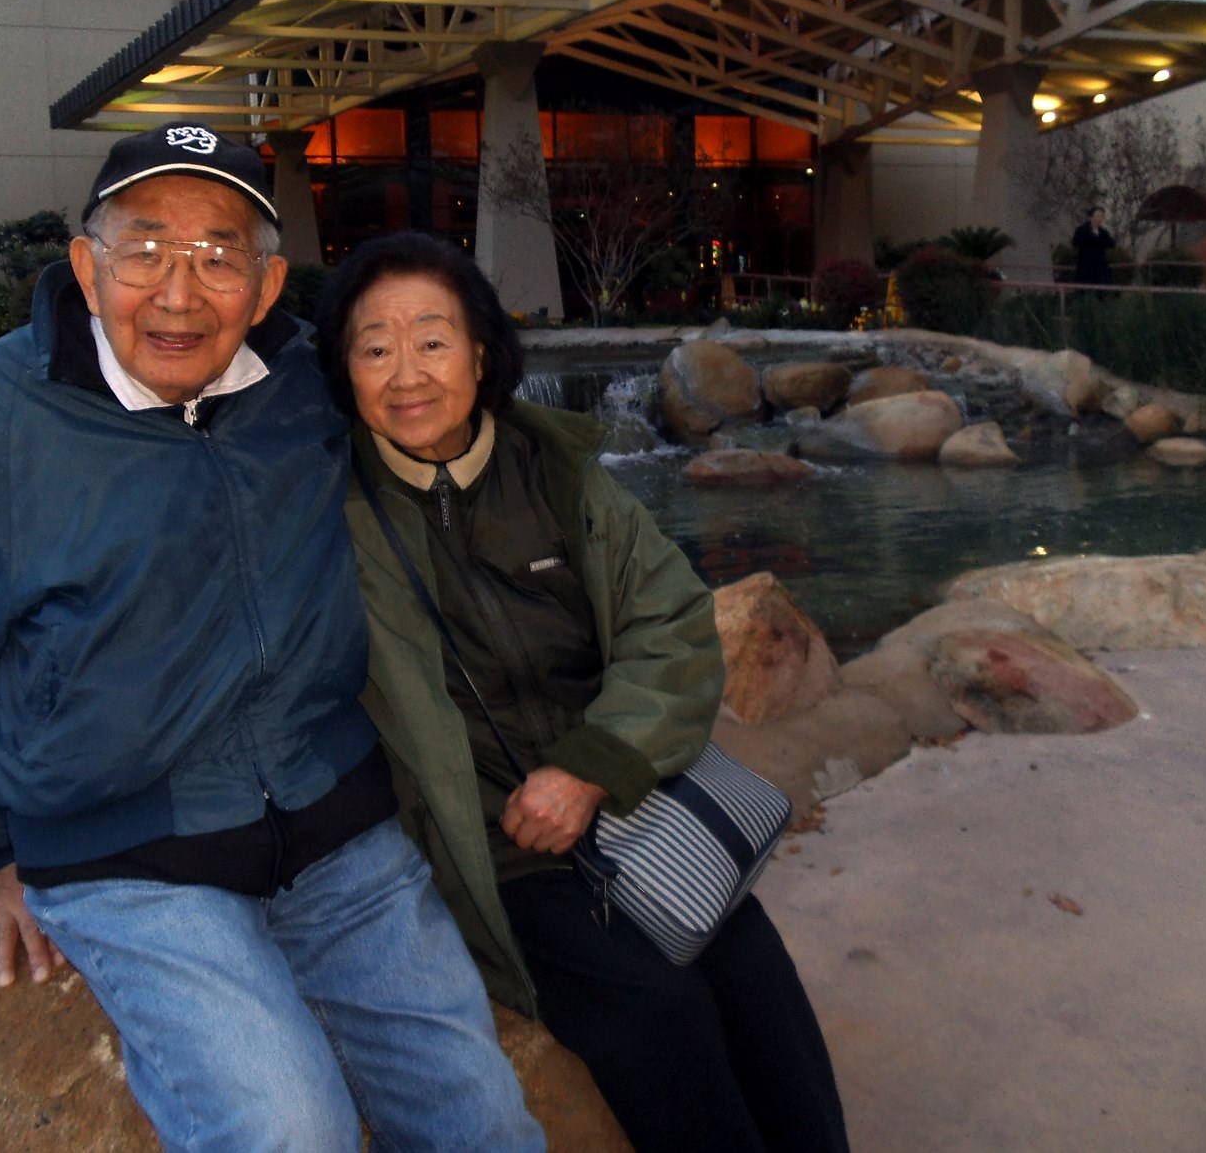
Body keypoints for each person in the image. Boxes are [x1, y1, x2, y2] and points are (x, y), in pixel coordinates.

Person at [0, 125, 542, 1153]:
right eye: (145, 250)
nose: (180, 293)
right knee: (288, 1129)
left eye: (220, 256)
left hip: (337, 827)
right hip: (127, 855)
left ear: (267, 288)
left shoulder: (306, 383)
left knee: (484, 1119)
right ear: (87, 265)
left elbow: (453, 428)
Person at [314, 232, 850, 1153]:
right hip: (493, 846)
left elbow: (672, 625)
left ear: (482, 355)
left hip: (624, 797)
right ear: (345, 369)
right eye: (375, 346)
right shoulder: (329, 510)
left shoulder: (557, 473)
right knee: (657, 1010)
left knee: (752, 968)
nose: (407, 372)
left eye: (433, 340)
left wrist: (591, 767)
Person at [1071, 205, 1117, 287]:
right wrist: (1091, 235)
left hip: (1100, 268)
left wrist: (1101, 237)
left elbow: (1112, 244)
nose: (1100, 219)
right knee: (1085, 291)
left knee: (1103, 290)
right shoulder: (1081, 230)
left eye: (1102, 216)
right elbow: (1075, 242)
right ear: (1090, 217)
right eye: (1098, 216)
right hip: (1085, 267)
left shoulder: (1103, 232)